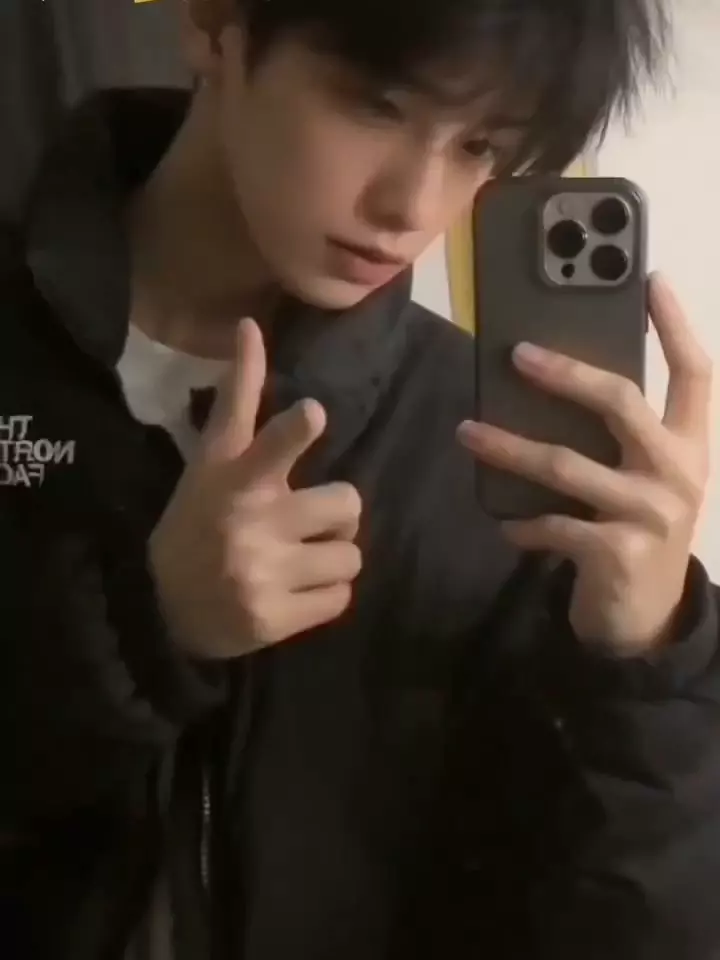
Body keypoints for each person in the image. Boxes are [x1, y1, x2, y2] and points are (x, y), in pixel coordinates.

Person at [2, 0, 719, 957]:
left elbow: (622, 932)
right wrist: (144, 630)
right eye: (376, 105)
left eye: (479, 146)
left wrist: (648, 669)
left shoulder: (490, 450)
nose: (412, 206)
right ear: (215, 25)